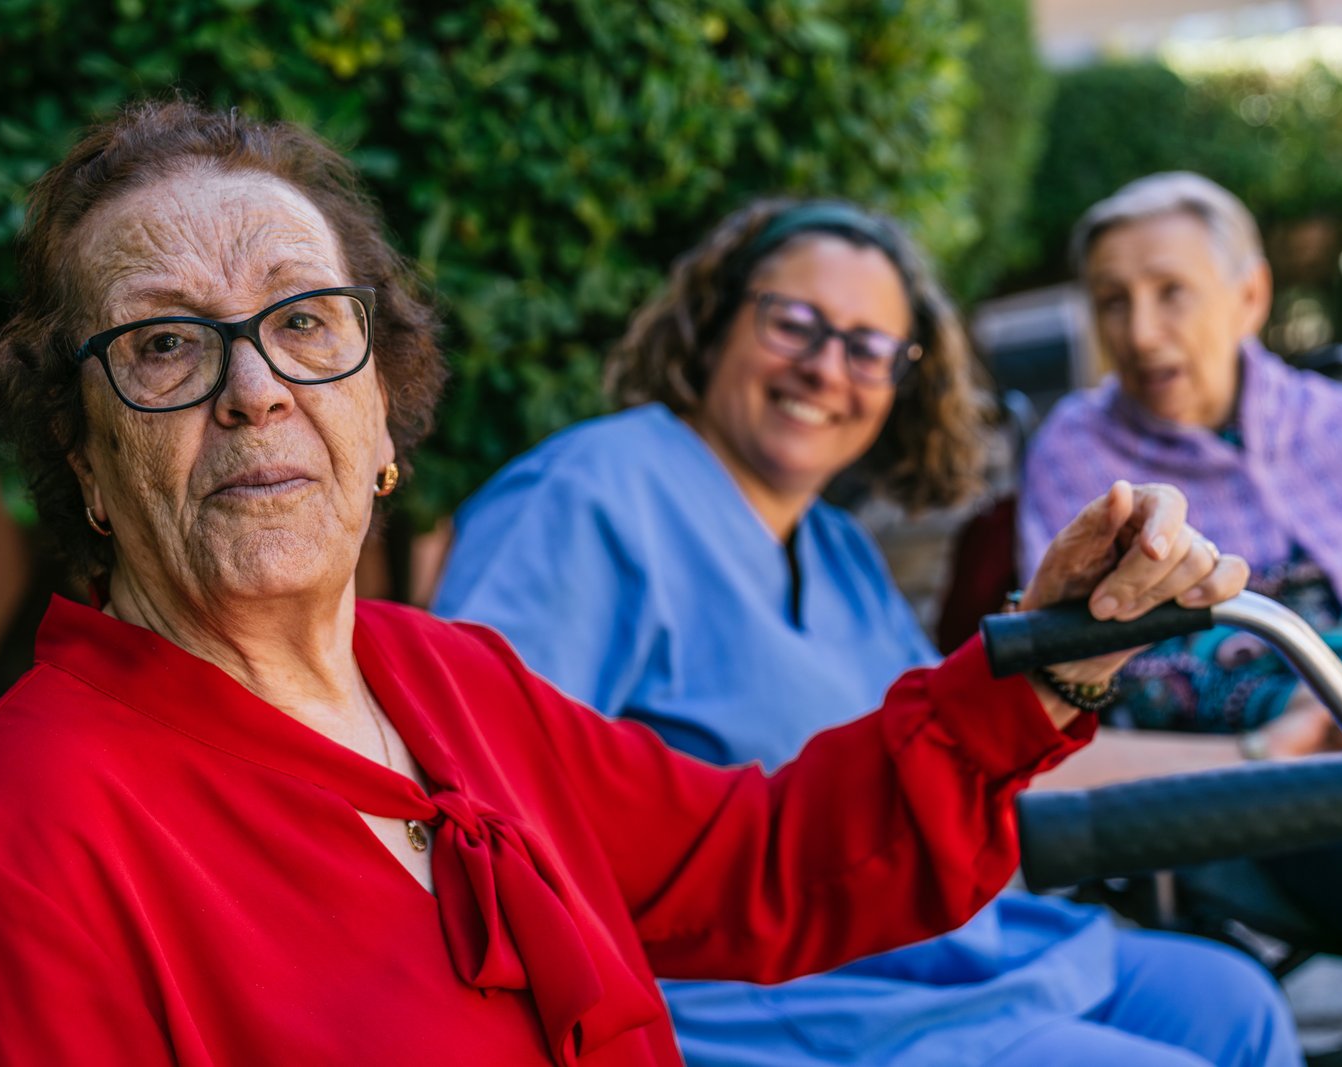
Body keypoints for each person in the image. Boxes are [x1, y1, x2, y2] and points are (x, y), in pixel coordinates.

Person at [0, 104, 1245, 1067]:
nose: (256, 394)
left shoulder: (445, 679)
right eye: (168, 346)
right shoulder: (31, 826)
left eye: (305, 323)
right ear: (84, 449)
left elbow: (763, 860)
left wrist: (1053, 660)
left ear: (380, 414)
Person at [433, 198, 1297, 1066]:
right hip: (767, 1003)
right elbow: (470, 785)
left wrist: (1269, 751)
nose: (824, 368)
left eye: (868, 347)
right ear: (715, 322)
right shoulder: (584, 498)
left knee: (1235, 1004)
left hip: (942, 955)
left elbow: (981, 762)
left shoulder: (837, 551)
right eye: (793, 323)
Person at [1019, 170, 1342, 1053]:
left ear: (1249, 295)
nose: (1140, 332)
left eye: (1171, 291)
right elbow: (1101, 676)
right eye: (1113, 302)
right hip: (1257, 786)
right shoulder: (1082, 456)